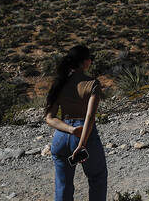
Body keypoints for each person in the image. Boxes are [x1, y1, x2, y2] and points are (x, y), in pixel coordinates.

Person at [44, 45, 107, 201]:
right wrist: (82, 144)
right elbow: (90, 117)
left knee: (63, 185)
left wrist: (71, 129)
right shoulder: (92, 84)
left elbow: (49, 118)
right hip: (85, 135)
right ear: (85, 62)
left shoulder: (59, 83)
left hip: (61, 136)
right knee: (97, 177)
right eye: (90, 58)